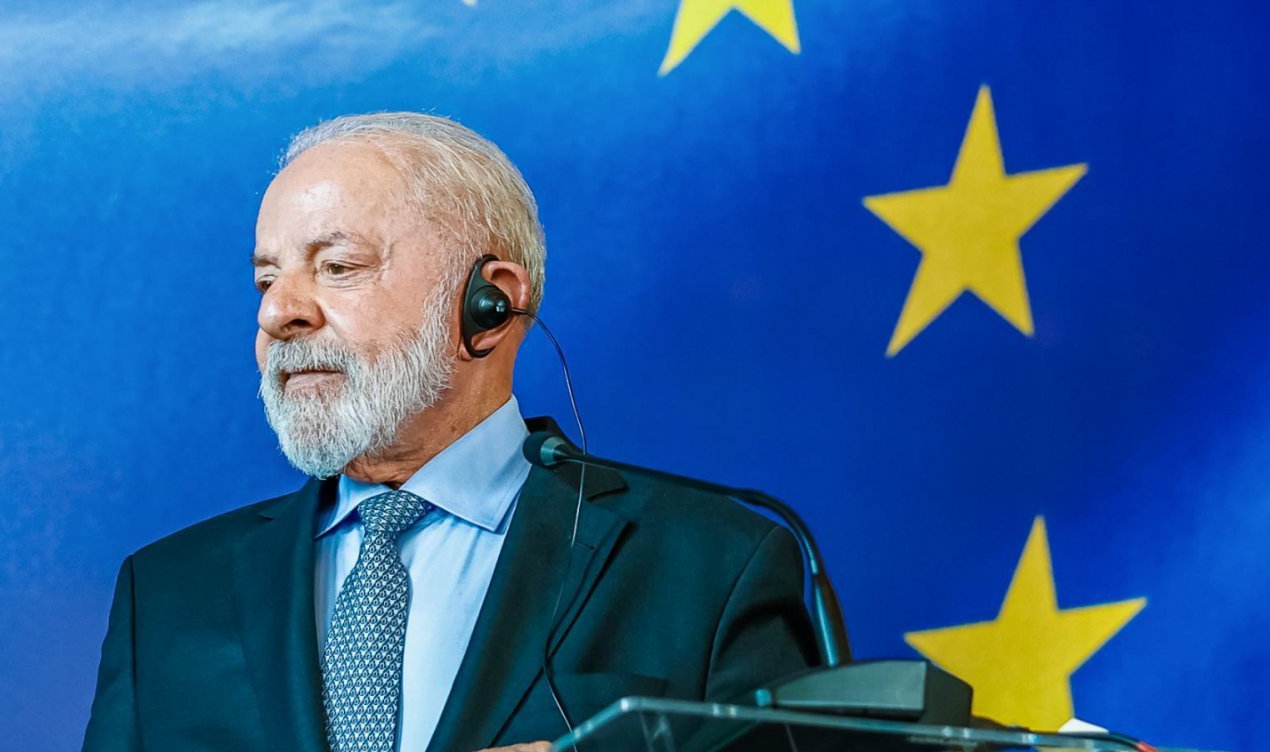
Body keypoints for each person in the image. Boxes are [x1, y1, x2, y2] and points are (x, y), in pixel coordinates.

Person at [80, 112, 816, 752]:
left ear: (489, 304)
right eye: (266, 280)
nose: (278, 313)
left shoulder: (715, 563)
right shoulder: (167, 592)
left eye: (337, 266)